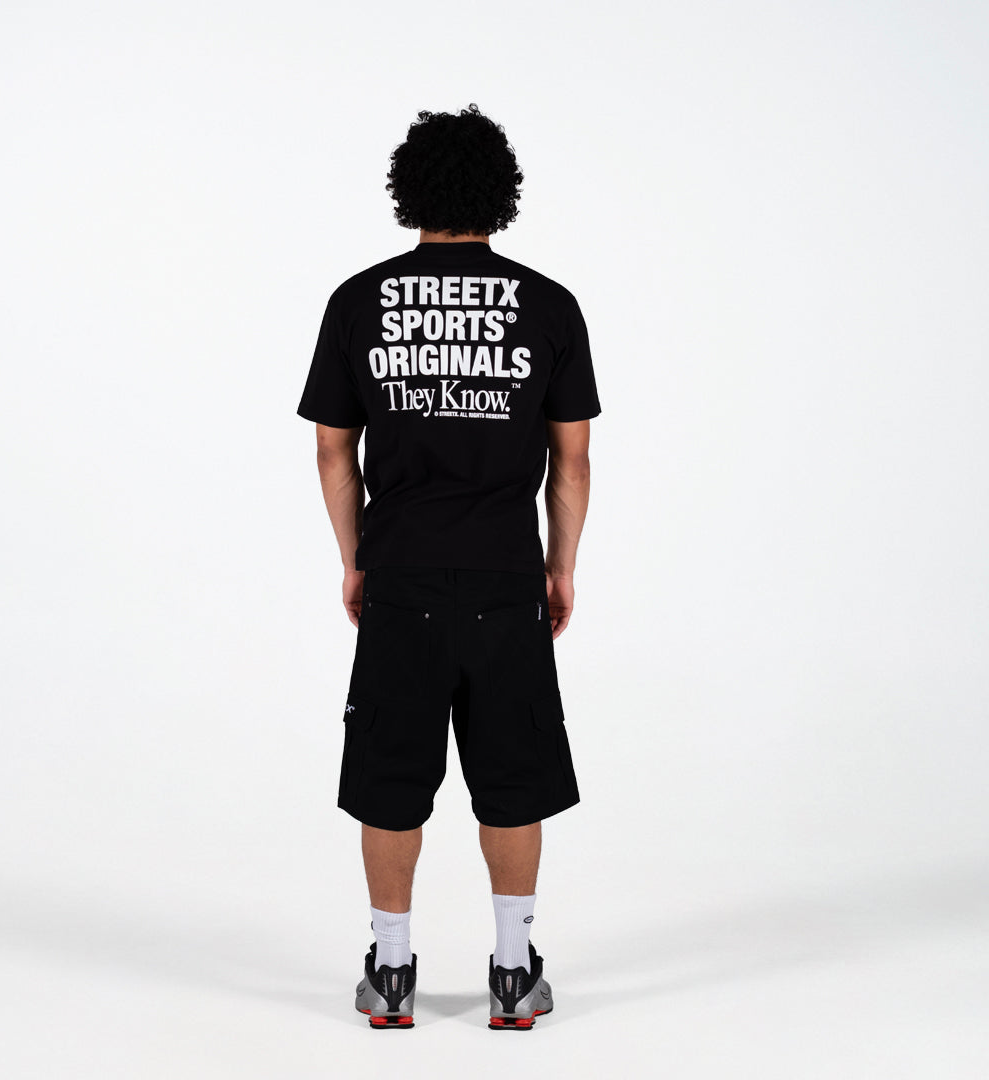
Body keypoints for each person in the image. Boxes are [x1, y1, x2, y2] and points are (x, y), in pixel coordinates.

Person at [296, 104, 600, 1031]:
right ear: (500, 192)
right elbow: (573, 460)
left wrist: (357, 560)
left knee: (392, 776)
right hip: (506, 577)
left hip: (403, 575)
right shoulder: (549, 306)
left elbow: (333, 451)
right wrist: (559, 568)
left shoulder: (359, 301)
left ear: (410, 191)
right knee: (512, 775)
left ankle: (391, 974)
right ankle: (512, 973)